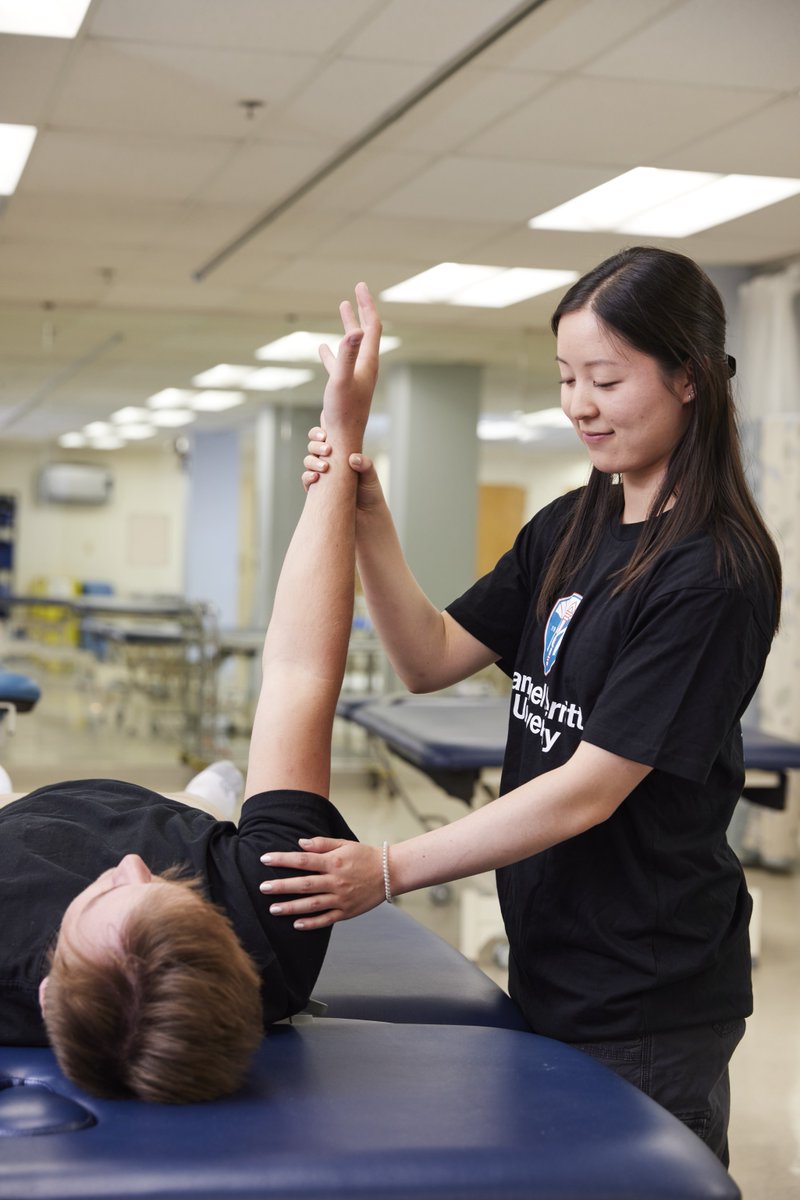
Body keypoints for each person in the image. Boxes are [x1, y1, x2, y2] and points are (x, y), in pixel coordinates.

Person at [260, 247, 782, 1166]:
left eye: (605, 379)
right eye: (566, 378)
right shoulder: (572, 523)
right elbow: (428, 657)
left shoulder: (713, 571)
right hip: (550, 955)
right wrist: (370, 517)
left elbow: (590, 790)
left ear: (690, 378)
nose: (579, 403)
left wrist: (389, 868)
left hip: (646, 993)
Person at [0, 283, 379, 1103]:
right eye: (171, 899)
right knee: (208, 806)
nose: (132, 864)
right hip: (188, 817)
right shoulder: (272, 918)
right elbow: (299, 672)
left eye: (108, 895)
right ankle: (208, 793)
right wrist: (343, 438)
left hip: (17, 816)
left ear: (49, 992)